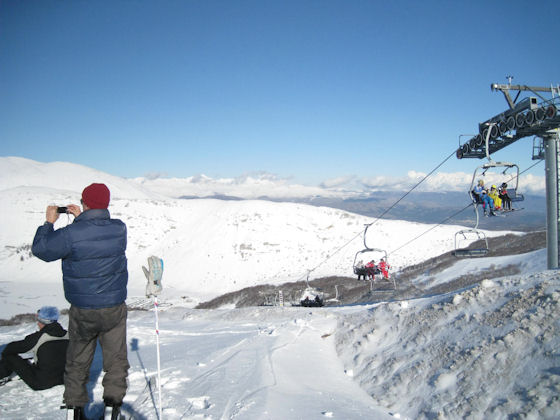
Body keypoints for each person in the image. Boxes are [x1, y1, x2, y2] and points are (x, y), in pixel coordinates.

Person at [31, 183, 129, 420]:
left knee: (78, 359)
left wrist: (49, 222)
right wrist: (82, 218)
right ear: (106, 203)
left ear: (84, 202)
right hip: (114, 307)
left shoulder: (71, 234)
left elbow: (41, 249)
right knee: (115, 358)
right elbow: (94, 236)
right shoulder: (119, 228)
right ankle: (113, 405)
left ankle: (76, 408)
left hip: (83, 309)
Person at [0, 306, 68, 390]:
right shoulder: (67, 334)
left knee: (9, 355)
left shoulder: (38, 337)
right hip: (65, 379)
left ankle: (2, 376)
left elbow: (11, 348)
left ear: (41, 321)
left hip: (42, 383)